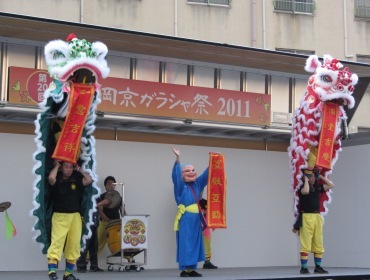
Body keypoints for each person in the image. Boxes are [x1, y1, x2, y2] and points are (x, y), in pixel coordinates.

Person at [47, 161, 93, 280]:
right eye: (66, 167)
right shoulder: (56, 178)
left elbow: (88, 180)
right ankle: (52, 272)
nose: (68, 169)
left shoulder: (76, 179)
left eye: (70, 167)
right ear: (62, 168)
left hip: (75, 217)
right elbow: (51, 178)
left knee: (74, 245)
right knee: (57, 242)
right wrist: (57, 165)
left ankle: (68, 274)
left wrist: (80, 170)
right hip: (60, 216)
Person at [172, 147, 209, 278]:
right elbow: (175, 177)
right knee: (186, 242)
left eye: (193, 170)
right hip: (186, 218)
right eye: (188, 171)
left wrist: (214, 163)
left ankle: (191, 269)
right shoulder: (180, 186)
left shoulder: (197, 183)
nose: (192, 172)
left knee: (195, 242)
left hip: (196, 218)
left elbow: (206, 175)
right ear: (182, 174)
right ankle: (184, 269)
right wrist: (177, 159)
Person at [293, 170, 334, 275]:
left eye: (312, 176)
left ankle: (318, 267)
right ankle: (304, 268)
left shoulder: (317, 188)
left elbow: (331, 185)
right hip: (306, 217)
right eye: (310, 176)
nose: (312, 178)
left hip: (317, 217)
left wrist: (320, 177)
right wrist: (306, 179)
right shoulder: (302, 188)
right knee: (306, 243)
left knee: (318, 243)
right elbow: (306, 191)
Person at [97, 176, 125, 255]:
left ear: (115, 185)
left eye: (112, 184)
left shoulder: (119, 198)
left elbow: (123, 212)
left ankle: (127, 260)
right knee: (98, 243)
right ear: (105, 186)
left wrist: (126, 220)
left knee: (120, 243)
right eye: (108, 184)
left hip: (116, 224)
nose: (110, 185)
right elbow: (101, 213)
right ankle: (88, 261)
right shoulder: (102, 197)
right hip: (104, 223)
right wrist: (109, 221)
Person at [76, 198, 106, 273]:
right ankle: (81, 266)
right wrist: (101, 203)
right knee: (85, 245)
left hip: (94, 223)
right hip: (86, 223)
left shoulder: (96, 195)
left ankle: (94, 266)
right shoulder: (85, 192)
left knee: (94, 246)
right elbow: (87, 206)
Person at [199, 198, 218, 269]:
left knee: (207, 243)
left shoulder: (204, 202)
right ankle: (190, 264)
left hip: (204, 227)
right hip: (195, 226)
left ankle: (207, 262)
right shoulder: (191, 201)